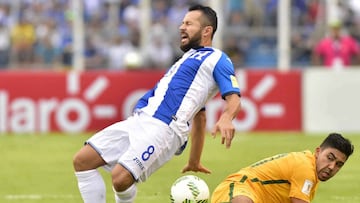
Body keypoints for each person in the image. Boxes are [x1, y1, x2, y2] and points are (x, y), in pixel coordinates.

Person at [72, 4, 242, 203]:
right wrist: (194, 160)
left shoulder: (218, 58)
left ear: (207, 30)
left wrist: (226, 117)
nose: (181, 27)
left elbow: (234, 97)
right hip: (140, 119)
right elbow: (200, 115)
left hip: (164, 127)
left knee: (120, 179)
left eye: (188, 23)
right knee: (82, 161)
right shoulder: (187, 58)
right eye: (182, 23)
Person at [211, 132, 354, 203]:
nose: (331, 167)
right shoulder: (305, 168)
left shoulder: (310, 171)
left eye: (338, 165)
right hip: (236, 188)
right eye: (330, 158)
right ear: (318, 152)